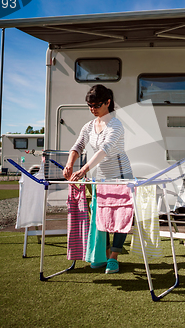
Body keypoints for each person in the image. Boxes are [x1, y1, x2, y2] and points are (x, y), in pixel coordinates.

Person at [63, 84, 133, 274]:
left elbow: (105, 150)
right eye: (90, 106)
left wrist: (84, 169)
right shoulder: (89, 127)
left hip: (120, 177)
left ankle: (114, 257)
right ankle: (104, 253)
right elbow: (78, 145)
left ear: (108, 102)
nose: (93, 109)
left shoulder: (116, 125)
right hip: (99, 178)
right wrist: (70, 163)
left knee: (121, 217)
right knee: (100, 217)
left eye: (96, 105)